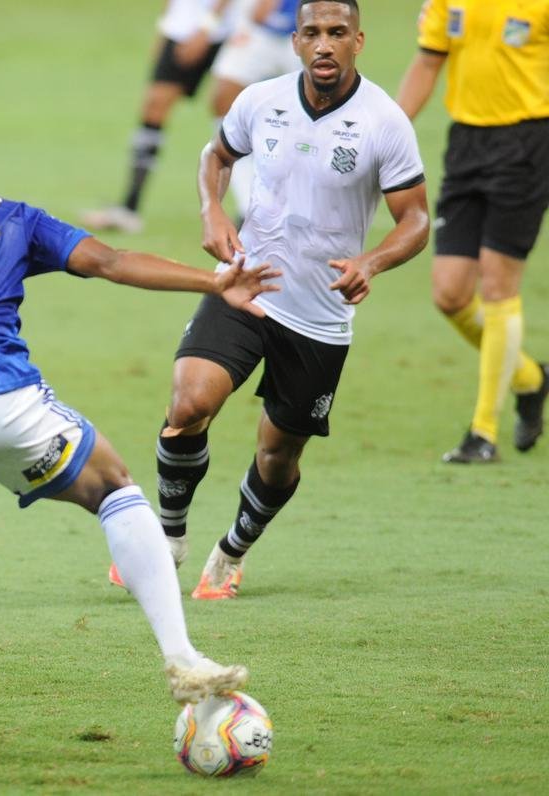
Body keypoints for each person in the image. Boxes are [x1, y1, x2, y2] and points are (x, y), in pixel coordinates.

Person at [0, 115, 280, 775]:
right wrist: (213, 282)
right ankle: (180, 655)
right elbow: (112, 262)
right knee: (115, 488)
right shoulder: (12, 214)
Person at [151, 0, 430, 601]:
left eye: (337, 33)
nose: (324, 44)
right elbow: (215, 156)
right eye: (312, 33)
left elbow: (416, 219)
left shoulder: (385, 121)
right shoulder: (261, 100)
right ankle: (167, 539)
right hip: (246, 285)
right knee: (188, 404)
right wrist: (211, 208)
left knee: (277, 456)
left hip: (320, 314)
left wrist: (371, 261)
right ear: (296, 41)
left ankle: (231, 553)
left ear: (359, 40)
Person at [396, 0, 549, 463]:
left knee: (499, 285)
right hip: (466, 144)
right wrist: (385, 135)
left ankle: (483, 433)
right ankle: (531, 380)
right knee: (450, 292)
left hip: (528, 141)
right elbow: (427, 62)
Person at [82, 0, 240, 234]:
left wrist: (207, 26)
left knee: (232, 116)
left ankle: (250, 211)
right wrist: (164, 25)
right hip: (182, 29)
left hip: (225, 31)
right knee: (154, 108)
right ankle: (130, 208)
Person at [209, 0, 302, 222]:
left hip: (306, 29)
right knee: (223, 102)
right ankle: (247, 207)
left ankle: (294, 200)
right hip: (256, 30)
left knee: (309, 113)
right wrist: (209, 23)